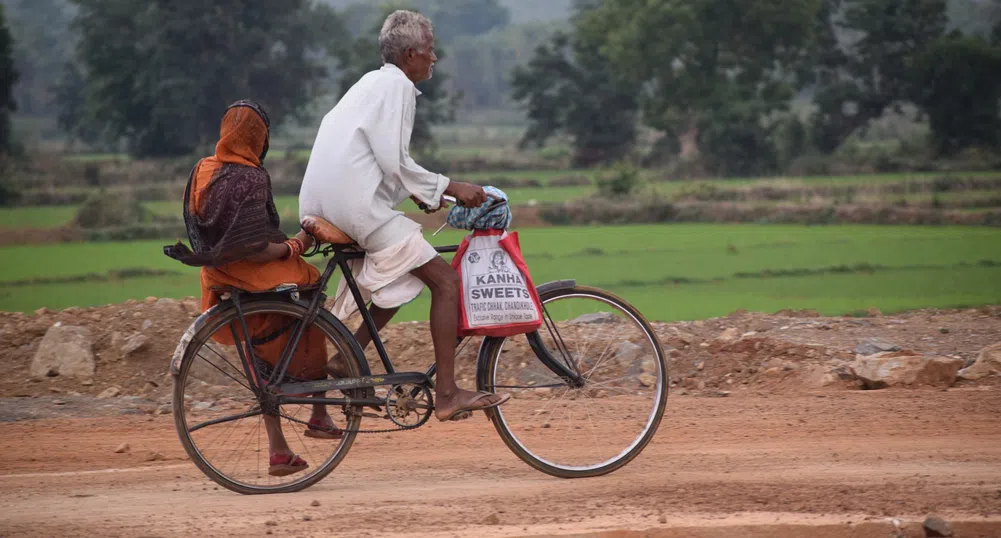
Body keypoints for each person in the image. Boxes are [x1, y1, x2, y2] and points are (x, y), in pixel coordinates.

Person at [298, 10, 509, 421]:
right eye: (431, 52)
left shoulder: (371, 83)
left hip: (327, 199)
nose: (435, 59)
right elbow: (394, 160)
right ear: (411, 54)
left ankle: (348, 354)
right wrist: (452, 187)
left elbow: (372, 161)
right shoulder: (396, 88)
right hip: (352, 204)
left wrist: (422, 193)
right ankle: (447, 393)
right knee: (445, 282)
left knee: (406, 267)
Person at [165, 100, 342, 477]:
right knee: (313, 293)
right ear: (258, 139)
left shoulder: (203, 169)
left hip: (219, 276)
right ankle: (319, 412)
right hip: (254, 271)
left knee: (256, 344)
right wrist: (297, 244)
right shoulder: (249, 177)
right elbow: (258, 248)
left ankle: (279, 448)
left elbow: (209, 234)